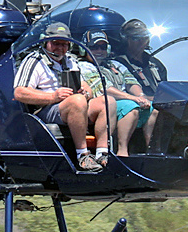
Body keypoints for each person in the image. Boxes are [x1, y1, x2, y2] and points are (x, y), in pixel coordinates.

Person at [13, 22, 115, 171]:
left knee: (107, 101)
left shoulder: (70, 61)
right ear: (46, 42)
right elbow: (19, 92)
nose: (60, 48)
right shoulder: (34, 61)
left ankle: (102, 153)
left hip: (73, 107)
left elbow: (86, 86)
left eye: (64, 44)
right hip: (45, 111)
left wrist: (86, 93)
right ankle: (83, 155)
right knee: (77, 101)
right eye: (55, 43)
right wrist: (53, 97)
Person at [78, 30, 152, 157]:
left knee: (153, 108)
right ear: (85, 49)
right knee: (131, 107)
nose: (99, 51)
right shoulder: (83, 66)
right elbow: (104, 89)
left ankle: (150, 151)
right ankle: (122, 151)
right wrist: (133, 99)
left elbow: (131, 82)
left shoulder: (115, 64)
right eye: (94, 47)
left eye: (103, 47)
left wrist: (141, 97)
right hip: (102, 104)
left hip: (127, 100)